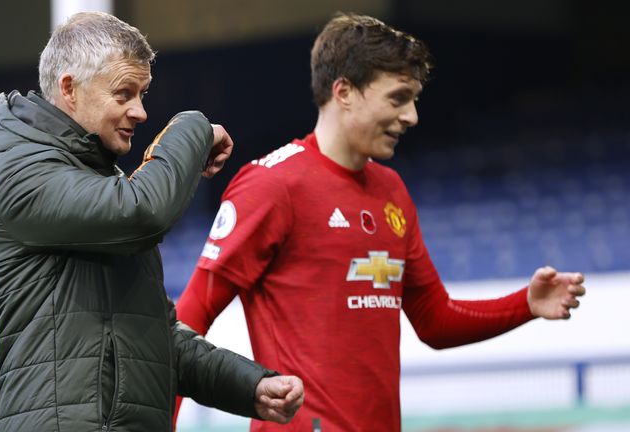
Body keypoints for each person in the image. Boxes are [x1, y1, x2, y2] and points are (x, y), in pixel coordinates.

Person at [174, 12, 586, 432]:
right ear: (345, 91)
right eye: (398, 98)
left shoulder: (392, 192)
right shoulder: (272, 185)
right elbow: (185, 326)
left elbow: (434, 319)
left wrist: (526, 305)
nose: (412, 117)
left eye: (414, 101)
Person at [0, 12, 303, 432]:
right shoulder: (15, 169)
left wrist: (249, 387)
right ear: (69, 88)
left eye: (142, 94)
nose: (140, 111)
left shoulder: (106, 183)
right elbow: (144, 211)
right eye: (124, 94)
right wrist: (191, 127)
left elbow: (153, 337)